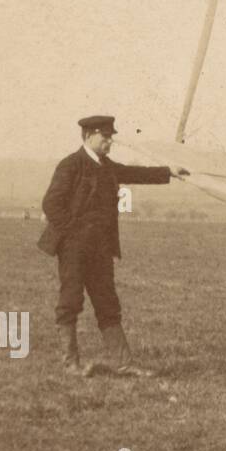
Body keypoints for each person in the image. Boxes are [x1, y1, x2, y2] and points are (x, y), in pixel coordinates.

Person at [37, 116, 186, 377]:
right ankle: (70, 364)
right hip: (73, 249)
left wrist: (168, 171)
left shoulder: (107, 166)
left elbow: (134, 173)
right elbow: (51, 204)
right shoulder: (71, 165)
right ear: (88, 136)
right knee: (70, 301)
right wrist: (74, 234)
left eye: (110, 136)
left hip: (101, 249)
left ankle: (124, 363)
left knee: (108, 304)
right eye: (104, 137)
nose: (109, 141)